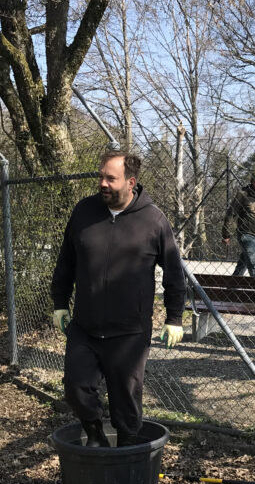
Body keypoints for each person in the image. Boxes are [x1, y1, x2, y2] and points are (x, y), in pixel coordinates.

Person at [50, 149, 187, 448]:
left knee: (126, 402)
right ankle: (95, 436)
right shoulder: (84, 212)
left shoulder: (153, 220)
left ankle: (128, 453)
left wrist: (175, 317)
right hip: (85, 327)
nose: (103, 183)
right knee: (75, 388)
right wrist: (60, 303)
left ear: (130, 182)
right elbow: (66, 261)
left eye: (110, 178)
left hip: (129, 332)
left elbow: (174, 273)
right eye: (101, 176)